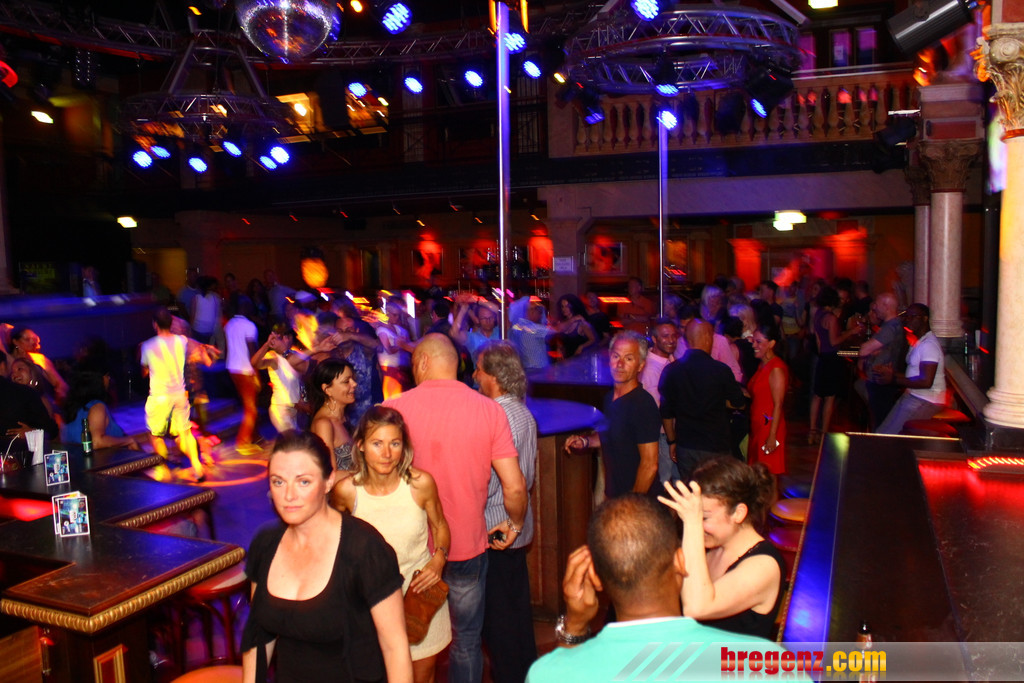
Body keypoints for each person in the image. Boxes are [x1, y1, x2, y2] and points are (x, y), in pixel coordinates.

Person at [526, 494, 794, 682]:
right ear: (680, 562)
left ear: (595, 578)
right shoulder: (763, 663)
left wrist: (573, 627)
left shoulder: (547, 673)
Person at [384, 333, 527, 683]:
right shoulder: (489, 409)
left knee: (407, 639)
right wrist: (515, 524)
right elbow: (514, 486)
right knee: (466, 641)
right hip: (466, 545)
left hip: (411, 549)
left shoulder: (394, 409)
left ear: (422, 362)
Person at [241, 430, 412, 683]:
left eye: (303, 482)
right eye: (278, 482)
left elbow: (395, 648)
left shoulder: (364, 550)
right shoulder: (265, 544)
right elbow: (259, 635)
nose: (289, 495)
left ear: (329, 481)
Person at [331, 407, 452, 683]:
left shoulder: (420, 484)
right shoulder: (347, 492)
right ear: (360, 445)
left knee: (422, 678)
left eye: (394, 443)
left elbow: (440, 526)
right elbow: (333, 543)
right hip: (370, 605)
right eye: (377, 444)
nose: (387, 453)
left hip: (419, 599)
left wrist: (439, 559)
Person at [659, 457, 786, 639]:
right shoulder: (713, 547)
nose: (696, 525)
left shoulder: (764, 565)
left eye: (704, 517)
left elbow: (697, 608)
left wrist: (692, 523)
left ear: (738, 513)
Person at [474, 342, 539, 683]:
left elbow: (492, 483)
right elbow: (527, 477)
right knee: (516, 616)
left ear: (494, 375)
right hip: (516, 526)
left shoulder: (494, 416)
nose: (475, 375)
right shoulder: (522, 411)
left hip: (495, 528)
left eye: (479, 369)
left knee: (497, 622)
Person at [565, 331, 660, 499]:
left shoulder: (642, 404)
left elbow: (650, 464)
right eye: (616, 356)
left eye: (628, 359)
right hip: (617, 497)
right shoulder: (610, 398)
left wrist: (631, 504)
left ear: (640, 365)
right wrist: (586, 441)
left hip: (640, 502)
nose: (620, 364)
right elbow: (610, 435)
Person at [660, 320, 746, 480]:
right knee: (716, 489)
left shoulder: (671, 371)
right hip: (716, 445)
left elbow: (666, 412)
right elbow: (739, 403)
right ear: (708, 338)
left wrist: (672, 442)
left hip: (686, 446)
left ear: (687, 340)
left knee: (691, 489)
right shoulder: (721, 370)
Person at [141, 308, 216, 481]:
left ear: (154, 324)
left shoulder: (148, 345)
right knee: (185, 433)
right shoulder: (181, 341)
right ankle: (197, 467)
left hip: (160, 396)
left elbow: (144, 370)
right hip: (180, 394)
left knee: (155, 435)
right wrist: (207, 348)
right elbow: (195, 348)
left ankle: (162, 470)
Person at [876, 303, 947, 434]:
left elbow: (926, 382)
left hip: (926, 400)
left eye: (913, 316)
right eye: (907, 316)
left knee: (887, 435)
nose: (908, 319)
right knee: (882, 432)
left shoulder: (929, 345)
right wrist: (893, 374)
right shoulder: (919, 342)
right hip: (914, 395)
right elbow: (914, 375)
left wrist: (894, 379)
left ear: (925, 319)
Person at [809, 286, 863, 443]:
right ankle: (824, 433)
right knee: (830, 398)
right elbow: (834, 341)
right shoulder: (831, 318)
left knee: (817, 396)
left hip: (822, 358)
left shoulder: (818, 314)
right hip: (832, 359)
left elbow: (819, 340)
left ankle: (812, 431)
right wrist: (851, 332)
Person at [639, 318, 679, 484]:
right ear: (654, 339)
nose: (671, 340)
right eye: (665, 336)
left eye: (674, 335)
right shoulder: (649, 368)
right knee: (665, 482)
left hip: (672, 432)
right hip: (662, 434)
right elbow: (655, 408)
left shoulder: (672, 360)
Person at [859, 292, 906, 429]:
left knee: (881, 422)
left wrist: (871, 350)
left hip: (881, 381)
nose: (875, 308)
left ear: (886, 306)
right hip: (882, 380)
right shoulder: (890, 325)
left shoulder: (890, 327)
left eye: (877, 305)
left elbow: (863, 350)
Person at [251, 323, 309, 435]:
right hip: (282, 409)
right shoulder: (273, 357)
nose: (285, 339)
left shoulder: (295, 354)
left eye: (287, 336)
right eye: (281, 337)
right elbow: (255, 363)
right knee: (293, 441)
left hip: (299, 408)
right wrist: (266, 345)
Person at [59, 369, 137, 450]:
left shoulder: (71, 408)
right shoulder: (96, 406)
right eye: (107, 376)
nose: (109, 379)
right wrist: (129, 441)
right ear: (98, 379)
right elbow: (96, 442)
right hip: (102, 458)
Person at [747, 323, 787, 474]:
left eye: (758, 342)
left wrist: (772, 436)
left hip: (768, 427)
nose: (754, 345)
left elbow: (778, 404)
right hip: (759, 426)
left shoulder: (775, 368)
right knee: (758, 471)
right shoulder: (763, 365)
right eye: (753, 341)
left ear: (771, 344)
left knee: (767, 472)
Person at [224, 296, 260, 454]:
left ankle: (254, 436)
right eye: (250, 306)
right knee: (251, 408)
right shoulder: (249, 325)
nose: (252, 308)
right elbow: (253, 353)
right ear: (244, 307)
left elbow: (228, 348)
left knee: (248, 405)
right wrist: (257, 374)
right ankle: (243, 442)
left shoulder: (229, 324)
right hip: (246, 370)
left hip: (232, 368)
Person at [309, 358, 358, 471]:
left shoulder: (343, 417)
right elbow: (331, 474)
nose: (354, 384)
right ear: (327, 390)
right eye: (346, 381)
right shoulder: (324, 424)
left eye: (353, 379)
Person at [0, 354, 58, 447]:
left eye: (20, 369)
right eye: (12, 372)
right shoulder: (18, 396)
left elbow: (51, 432)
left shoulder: (42, 399)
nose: (14, 374)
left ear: (32, 372)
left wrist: (31, 432)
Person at [8, 326, 68, 403]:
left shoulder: (39, 359)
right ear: (15, 342)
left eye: (35, 340)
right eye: (27, 339)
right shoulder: (7, 360)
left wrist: (55, 403)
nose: (32, 343)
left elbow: (60, 385)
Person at [553, 294, 596, 360]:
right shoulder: (562, 322)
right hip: (567, 360)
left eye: (567, 306)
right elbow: (558, 334)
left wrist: (581, 346)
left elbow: (592, 339)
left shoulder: (581, 323)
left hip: (580, 360)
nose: (564, 309)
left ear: (572, 306)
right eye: (562, 306)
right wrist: (559, 349)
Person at [190, 276, 222, 345]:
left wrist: (190, 329)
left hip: (198, 328)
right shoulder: (215, 298)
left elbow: (193, 316)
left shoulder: (196, 298)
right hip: (209, 329)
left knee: (197, 347)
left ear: (198, 286)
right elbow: (216, 314)